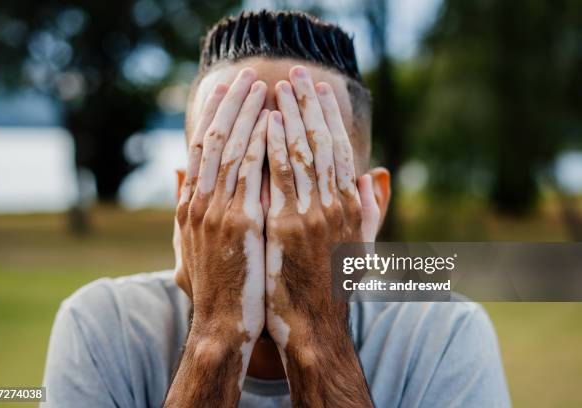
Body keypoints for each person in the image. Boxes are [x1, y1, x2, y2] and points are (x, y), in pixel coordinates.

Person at [42, 10, 510, 407]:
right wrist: (216, 336)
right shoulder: (102, 329)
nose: (263, 213)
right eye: (231, 170)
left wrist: (318, 336)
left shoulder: (444, 335)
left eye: (308, 170)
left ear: (373, 204)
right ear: (183, 200)